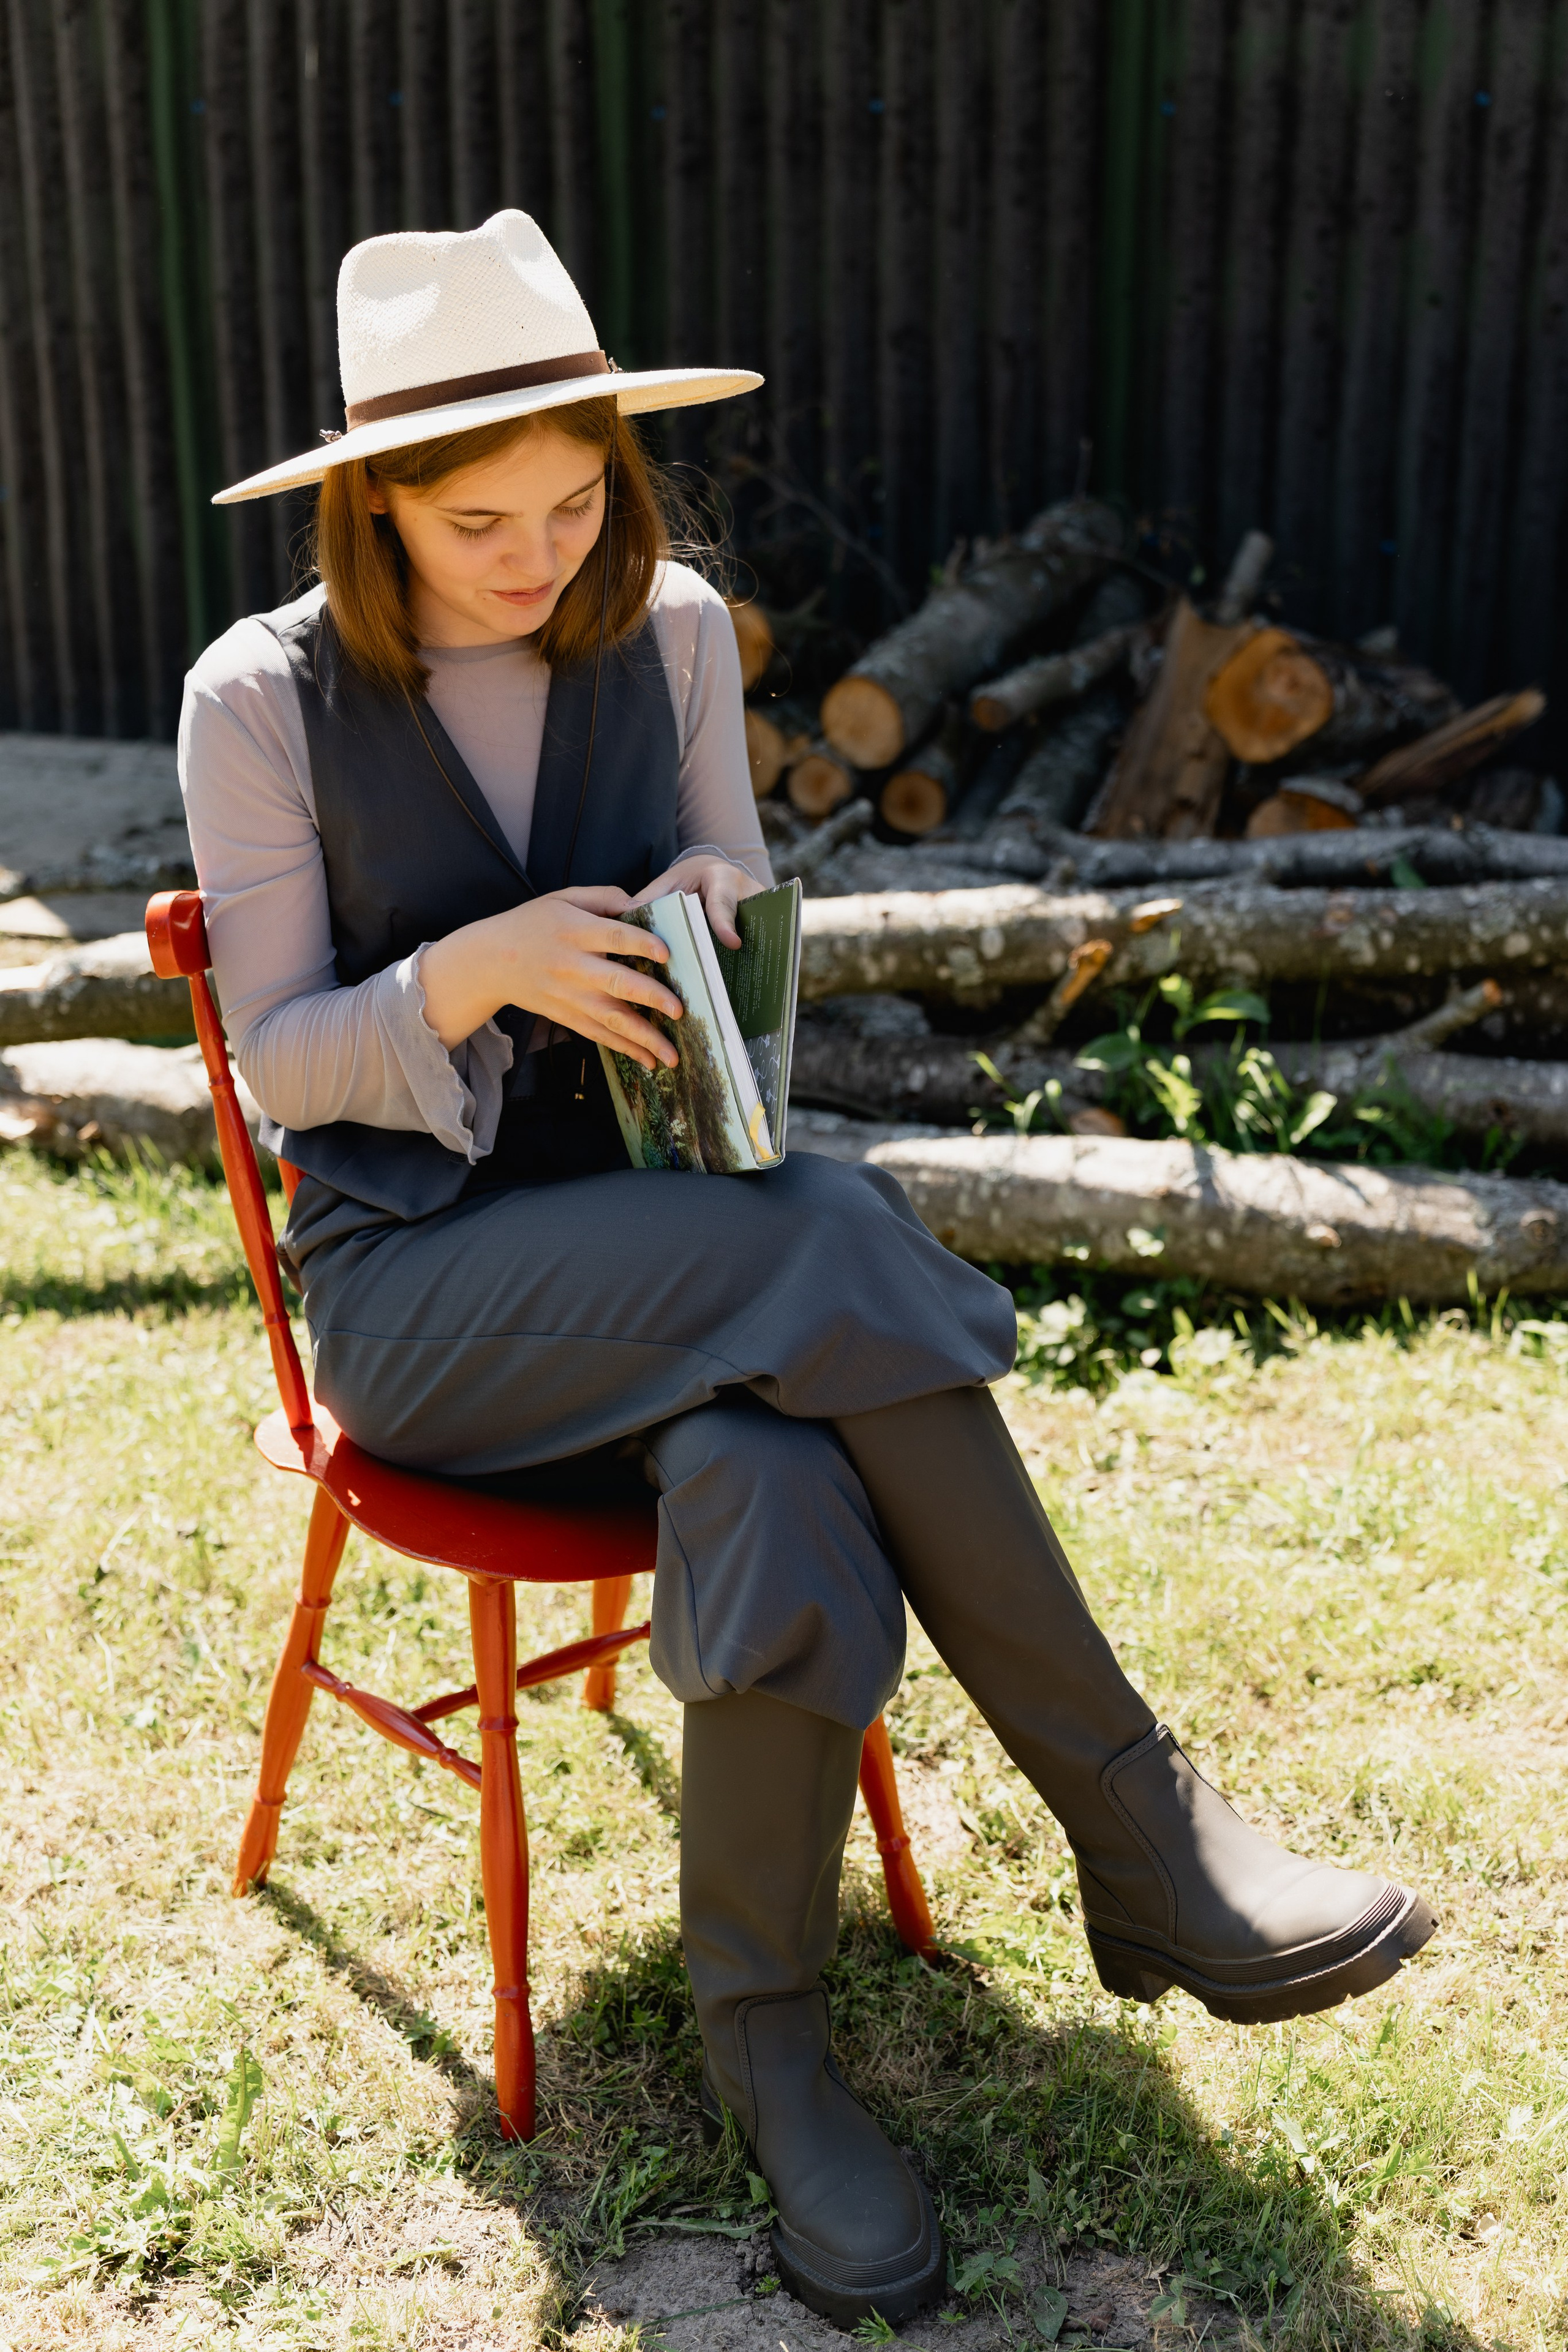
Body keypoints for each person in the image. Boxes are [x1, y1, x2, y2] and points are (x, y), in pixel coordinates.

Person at [181, 212, 1434, 2331]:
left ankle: (768, 2041)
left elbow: (735, 928)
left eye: (579, 502)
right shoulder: (261, 698)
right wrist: (468, 978)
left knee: (768, 1462)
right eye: (477, 518)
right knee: (837, 1248)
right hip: (423, 1289)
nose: (537, 553)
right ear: (367, 500)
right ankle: (1137, 1825)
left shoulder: (664, 631)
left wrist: (702, 911)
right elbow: (284, 1050)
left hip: (690, 1242)